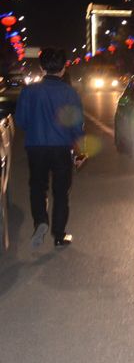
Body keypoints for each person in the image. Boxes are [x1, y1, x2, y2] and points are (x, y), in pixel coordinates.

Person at [15, 48, 85, 249]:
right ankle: (59, 236)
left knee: (38, 186)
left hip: (36, 147)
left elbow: (21, 121)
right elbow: (76, 125)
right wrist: (80, 151)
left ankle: (40, 221)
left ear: (41, 67)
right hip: (61, 148)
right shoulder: (70, 93)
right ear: (63, 69)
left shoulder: (28, 92)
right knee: (61, 192)